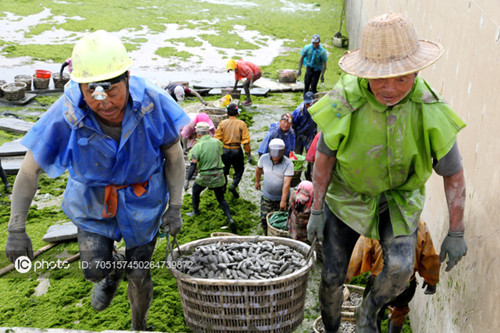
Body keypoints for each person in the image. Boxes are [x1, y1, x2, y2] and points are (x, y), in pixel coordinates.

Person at [4, 30, 190, 331]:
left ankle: (139, 325)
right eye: (93, 91)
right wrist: (16, 228)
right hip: (91, 200)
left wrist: (176, 207)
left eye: (111, 89)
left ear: (127, 77)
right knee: (93, 270)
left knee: (140, 273)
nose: (103, 101)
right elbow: (28, 169)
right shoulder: (66, 111)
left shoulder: (152, 102)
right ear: (79, 85)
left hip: (144, 200)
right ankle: (112, 270)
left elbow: (174, 153)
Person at [306, 13, 467, 332]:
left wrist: (457, 230)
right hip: (348, 195)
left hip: (399, 198)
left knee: (400, 268)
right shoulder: (346, 98)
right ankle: (332, 326)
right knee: (331, 278)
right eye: (380, 78)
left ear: (416, 71)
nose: (389, 88)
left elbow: (454, 174)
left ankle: (369, 310)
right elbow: (324, 157)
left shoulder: (428, 107)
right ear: (366, 73)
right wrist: (316, 208)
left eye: (401, 78)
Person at [346, 220, 441, 333]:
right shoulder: (419, 225)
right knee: (399, 310)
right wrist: (431, 281)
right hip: (405, 286)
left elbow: (356, 258)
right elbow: (430, 256)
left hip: (379, 285)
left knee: (373, 314)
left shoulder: (375, 222)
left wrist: (343, 277)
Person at [186, 122, 236, 232]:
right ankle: (230, 218)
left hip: (205, 176)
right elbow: (224, 157)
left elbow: (193, 165)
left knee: (195, 191)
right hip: (218, 176)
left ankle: (195, 211)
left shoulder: (196, 147)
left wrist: (187, 180)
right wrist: (225, 174)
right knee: (221, 199)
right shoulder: (217, 142)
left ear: (198, 134)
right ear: (208, 132)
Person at [255, 139, 294, 235]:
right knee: (264, 219)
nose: (275, 159)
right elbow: (258, 169)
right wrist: (257, 181)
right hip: (267, 197)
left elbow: (286, 184)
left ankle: (278, 237)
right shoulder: (264, 158)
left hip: (281, 198)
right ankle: (266, 235)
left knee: (280, 220)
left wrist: (283, 201)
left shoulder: (288, 164)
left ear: (283, 152)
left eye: (278, 157)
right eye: (273, 156)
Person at [214, 103, 252, 199]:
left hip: (225, 150)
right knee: (239, 170)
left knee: (224, 170)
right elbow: (246, 141)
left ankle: (224, 187)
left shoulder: (222, 123)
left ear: (227, 113)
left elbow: (217, 139)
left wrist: (217, 152)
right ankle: (234, 185)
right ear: (237, 113)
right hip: (236, 150)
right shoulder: (241, 124)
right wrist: (249, 153)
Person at [292, 91, 317, 155]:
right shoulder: (298, 112)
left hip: (310, 135)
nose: (309, 106)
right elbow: (293, 125)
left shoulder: (317, 109)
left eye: (311, 104)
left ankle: (310, 165)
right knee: (297, 154)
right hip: (299, 134)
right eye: (307, 104)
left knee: (311, 154)